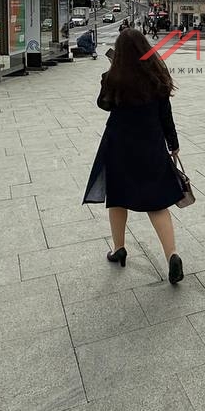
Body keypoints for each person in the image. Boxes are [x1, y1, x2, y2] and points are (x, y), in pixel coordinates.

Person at [82, 29, 185, 284]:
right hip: (150, 144)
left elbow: (103, 105)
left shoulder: (114, 77)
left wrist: (106, 79)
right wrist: (173, 145)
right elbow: (166, 116)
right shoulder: (156, 77)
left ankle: (119, 249)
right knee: (156, 203)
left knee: (117, 197)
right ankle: (172, 254)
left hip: (119, 145)